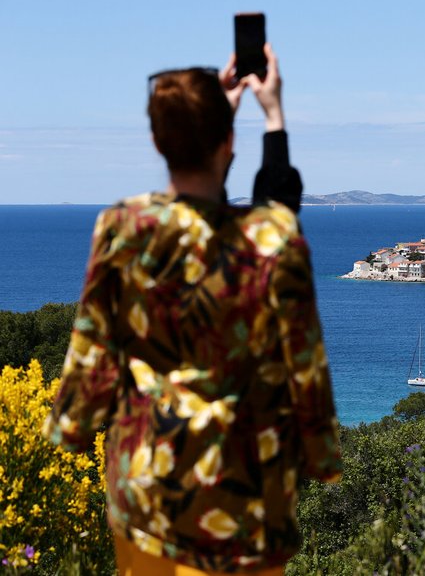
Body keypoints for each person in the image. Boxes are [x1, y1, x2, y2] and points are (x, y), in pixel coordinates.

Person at [44, 44, 342, 575]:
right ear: (229, 141)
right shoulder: (272, 239)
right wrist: (321, 459)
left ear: (159, 141)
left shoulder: (122, 228)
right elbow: (306, 367)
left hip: (148, 497)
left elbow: (92, 354)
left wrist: (73, 429)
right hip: (247, 505)